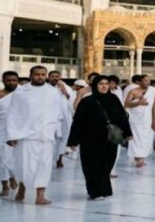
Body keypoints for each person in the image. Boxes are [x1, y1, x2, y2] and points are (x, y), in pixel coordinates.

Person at [4, 66, 70, 205]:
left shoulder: (52, 92)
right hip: (25, 135)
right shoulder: (21, 92)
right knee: (23, 165)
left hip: (45, 135)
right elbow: (13, 114)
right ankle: (22, 189)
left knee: (44, 165)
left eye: (42, 74)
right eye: (37, 74)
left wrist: (57, 130)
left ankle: (40, 195)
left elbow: (57, 113)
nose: (40, 77)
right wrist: (11, 134)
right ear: (30, 75)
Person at [66, 75, 131, 200]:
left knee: (107, 163)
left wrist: (127, 133)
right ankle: (95, 191)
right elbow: (78, 121)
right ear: (95, 86)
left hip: (109, 138)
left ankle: (104, 189)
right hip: (90, 139)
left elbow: (122, 116)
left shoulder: (113, 98)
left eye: (106, 83)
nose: (104, 86)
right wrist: (73, 140)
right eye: (101, 84)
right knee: (92, 165)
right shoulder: (87, 101)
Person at [124, 75, 155, 167]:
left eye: (149, 80)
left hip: (148, 118)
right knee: (136, 138)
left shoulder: (153, 91)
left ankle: (142, 157)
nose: (148, 82)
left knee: (146, 138)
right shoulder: (133, 91)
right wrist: (139, 103)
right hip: (136, 119)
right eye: (145, 80)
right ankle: (138, 158)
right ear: (140, 82)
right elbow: (126, 104)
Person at [0, 71, 21, 196]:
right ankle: (4, 186)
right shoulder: (0, 95)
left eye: (14, 80)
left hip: (17, 131)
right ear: (3, 80)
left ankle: (13, 176)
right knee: (1, 159)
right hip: (1, 129)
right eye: (9, 80)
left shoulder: (22, 94)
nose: (12, 82)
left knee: (12, 159)